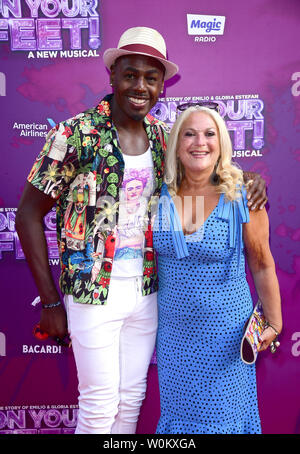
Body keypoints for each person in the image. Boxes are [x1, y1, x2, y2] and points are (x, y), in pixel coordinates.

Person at [15, 27, 267, 434]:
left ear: (162, 87)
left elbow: (206, 172)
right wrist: (49, 301)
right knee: (99, 406)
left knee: (130, 401)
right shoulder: (75, 134)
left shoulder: (161, 136)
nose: (140, 86)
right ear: (112, 75)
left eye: (151, 78)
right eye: (131, 75)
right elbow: (27, 213)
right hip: (93, 290)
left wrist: (250, 178)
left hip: (148, 292)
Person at [153, 105, 282, 434]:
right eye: (190, 133)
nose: (200, 142)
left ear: (222, 142)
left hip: (226, 340)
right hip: (175, 340)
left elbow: (263, 262)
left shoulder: (242, 195)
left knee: (222, 422)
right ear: (177, 144)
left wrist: (275, 322)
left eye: (210, 134)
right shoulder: (159, 194)